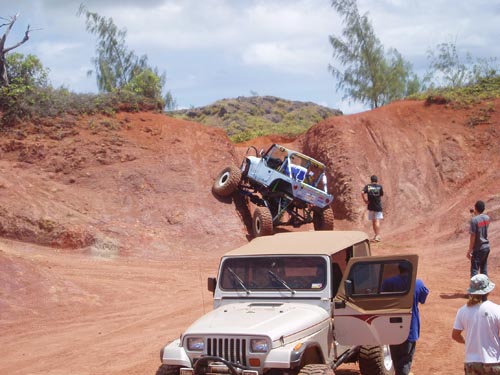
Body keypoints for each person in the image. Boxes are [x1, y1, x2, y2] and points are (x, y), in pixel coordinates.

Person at [382, 263, 429, 375]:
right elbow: (423, 299)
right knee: (405, 359)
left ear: (399, 270)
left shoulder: (388, 282)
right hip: (411, 326)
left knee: (396, 358)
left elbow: (382, 300)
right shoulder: (418, 283)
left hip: (391, 326)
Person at [452, 274, 500, 374]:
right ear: (488, 291)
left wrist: (467, 342)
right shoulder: (496, 309)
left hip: (471, 363)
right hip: (494, 362)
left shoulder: (462, 311)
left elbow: (455, 335)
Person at [467, 200, 491, 277]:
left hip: (478, 249)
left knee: (474, 270)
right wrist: (476, 213)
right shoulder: (487, 218)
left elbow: (473, 236)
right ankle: (485, 287)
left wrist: (469, 251)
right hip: (486, 247)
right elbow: (480, 220)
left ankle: (475, 288)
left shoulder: (474, 220)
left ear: (475, 208)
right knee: (484, 269)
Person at [361, 175, 384, 242]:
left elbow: (362, 192)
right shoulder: (380, 187)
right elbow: (381, 194)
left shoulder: (368, 186)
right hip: (378, 206)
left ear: (371, 180)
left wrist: (365, 200)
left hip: (371, 206)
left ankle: (376, 235)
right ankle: (377, 236)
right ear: (377, 180)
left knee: (373, 221)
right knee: (377, 221)